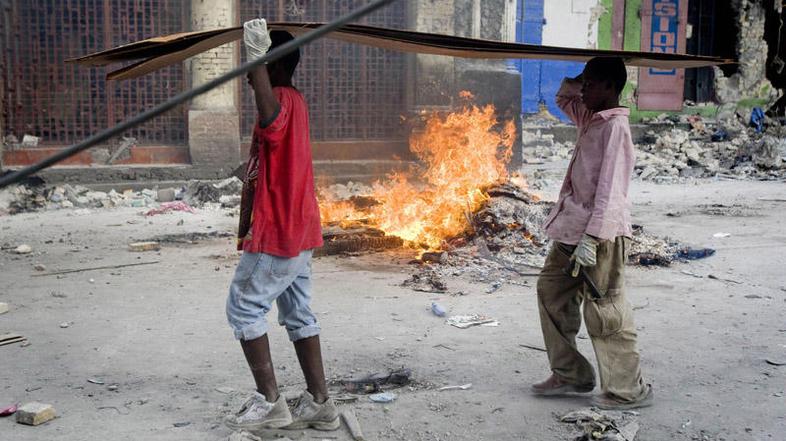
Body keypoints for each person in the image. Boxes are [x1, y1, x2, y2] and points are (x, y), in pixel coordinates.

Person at [224, 19, 339, 431]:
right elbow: (278, 146)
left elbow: (270, 117)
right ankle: (320, 403)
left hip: (280, 231)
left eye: (253, 68)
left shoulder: (282, 101)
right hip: (300, 229)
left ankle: (270, 403)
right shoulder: (296, 100)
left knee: (243, 307)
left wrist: (256, 58)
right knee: (298, 312)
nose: (246, 77)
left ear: (272, 66)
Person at [531, 57, 653, 410]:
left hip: (600, 236)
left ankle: (626, 390)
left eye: (592, 84)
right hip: (570, 229)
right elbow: (563, 98)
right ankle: (570, 374)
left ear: (611, 88)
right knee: (551, 292)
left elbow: (611, 192)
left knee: (605, 310)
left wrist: (592, 239)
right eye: (584, 84)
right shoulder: (590, 117)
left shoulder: (615, 128)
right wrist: (580, 77)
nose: (583, 91)